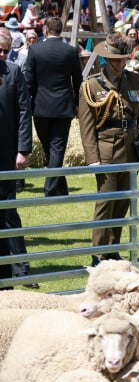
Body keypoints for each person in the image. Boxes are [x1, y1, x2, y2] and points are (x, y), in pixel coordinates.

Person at [78, 32, 139, 267]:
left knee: (123, 201)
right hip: (106, 151)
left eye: (124, 59)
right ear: (106, 59)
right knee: (106, 202)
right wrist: (92, 157)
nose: (122, 64)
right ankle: (98, 253)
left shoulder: (135, 81)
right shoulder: (91, 85)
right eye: (117, 60)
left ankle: (113, 249)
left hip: (132, 147)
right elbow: (86, 126)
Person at [24, 16, 82, 197]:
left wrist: (27, 104)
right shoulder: (70, 51)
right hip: (63, 106)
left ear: (46, 30)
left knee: (52, 148)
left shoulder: (34, 50)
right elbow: (78, 80)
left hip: (40, 106)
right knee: (54, 149)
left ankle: (50, 189)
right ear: (61, 30)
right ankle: (59, 187)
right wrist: (78, 104)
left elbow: (29, 81)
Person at [0, 34, 33, 290]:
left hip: (7, 154)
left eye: (4, 50)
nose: (2, 54)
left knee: (8, 210)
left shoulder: (13, 72)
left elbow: (24, 110)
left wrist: (23, 149)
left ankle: (19, 269)